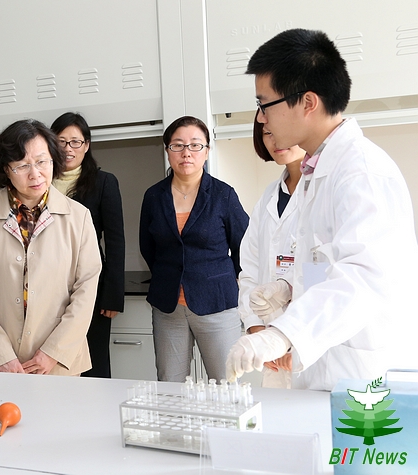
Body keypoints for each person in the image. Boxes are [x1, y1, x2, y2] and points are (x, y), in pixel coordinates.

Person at [226, 28, 418, 390]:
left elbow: (365, 277)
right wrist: (288, 288)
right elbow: (323, 263)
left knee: (357, 430)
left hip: (360, 376)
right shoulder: (318, 173)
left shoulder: (361, 172)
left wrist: (282, 334)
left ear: (308, 103)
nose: (261, 118)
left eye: (265, 104)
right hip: (325, 370)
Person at [0, 119, 101, 376]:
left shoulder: (79, 217)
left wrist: (53, 353)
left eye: (42, 161)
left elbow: (86, 290)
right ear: (6, 169)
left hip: (58, 364)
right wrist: (0, 356)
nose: (35, 174)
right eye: (22, 165)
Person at [139, 116, 249, 382]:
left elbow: (245, 248)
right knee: (170, 383)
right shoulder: (154, 196)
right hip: (168, 307)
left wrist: (230, 279)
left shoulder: (223, 195)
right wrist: (170, 274)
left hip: (217, 304)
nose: (186, 152)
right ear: (168, 151)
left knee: (226, 383)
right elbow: (148, 247)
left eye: (195, 145)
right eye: (177, 145)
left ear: (206, 151)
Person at [50, 112, 125, 378]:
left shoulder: (104, 182)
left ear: (87, 145)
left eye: (75, 142)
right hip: (48, 287)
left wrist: (112, 296)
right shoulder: (39, 182)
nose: (68, 149)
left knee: (94, 361)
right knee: (53, 360)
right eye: (61, 142)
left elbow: (115, 241)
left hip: (91, 285)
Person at [237, 112, 305, 388]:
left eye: (281, 129)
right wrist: (257, 329)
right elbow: (249, 268)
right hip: (270, 340)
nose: (276, 140)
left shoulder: (321, 191)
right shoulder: (268, 197)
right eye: (267, 133)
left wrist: (296, 339)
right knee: (277, 411)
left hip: (309, 341)